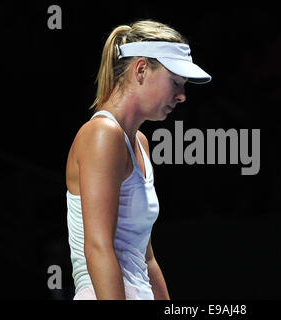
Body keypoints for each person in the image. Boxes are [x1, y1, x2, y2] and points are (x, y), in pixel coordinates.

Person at [65, 19, 211, 300]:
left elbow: (146, 259)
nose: (182, 96)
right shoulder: (102, 134)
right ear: (141, 69)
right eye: (175, 82)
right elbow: (97, 246)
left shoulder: (139, 143)